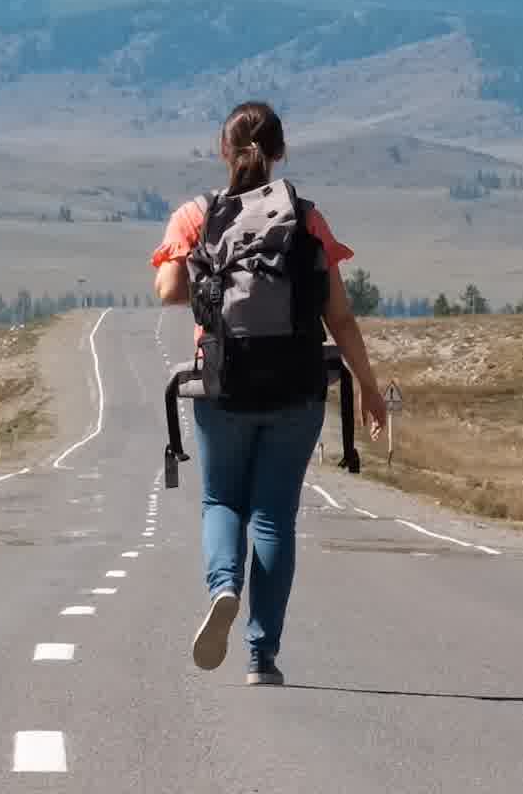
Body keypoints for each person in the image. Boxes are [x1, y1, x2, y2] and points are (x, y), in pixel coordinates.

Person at [150, 99, 388, 685]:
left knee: (220, 501)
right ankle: (263, 655)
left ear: (223, 151)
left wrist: (214, 279)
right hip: (297, 388)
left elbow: (167, 290)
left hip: (223, 383)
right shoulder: (305, 219)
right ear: (279, 152)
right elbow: (341, 316)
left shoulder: (197, 215)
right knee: (274, 517)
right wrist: (369, 386)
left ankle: (224, 585)